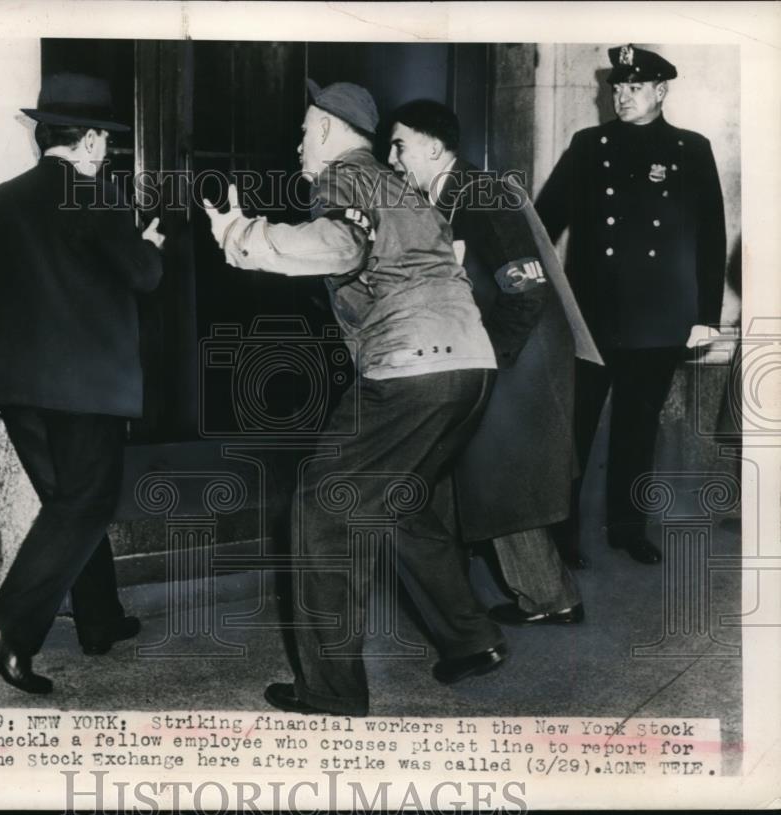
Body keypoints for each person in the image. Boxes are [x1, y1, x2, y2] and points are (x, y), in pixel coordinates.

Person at [204, 80, 506, 717]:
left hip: (410, 367)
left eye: (303, 131)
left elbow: (342, 243)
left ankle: (331, 692)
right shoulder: (400, 183)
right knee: (398, 500)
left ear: (324, 132)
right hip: (471, 364)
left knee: (322, 506)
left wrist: (246, 237)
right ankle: (470, 640)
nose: (297, 144)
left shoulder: (343, 177)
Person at [0, 73, 165, 694]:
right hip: (88, 392)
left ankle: (100, 619)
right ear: (92, 140)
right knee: (85, 503)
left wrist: (16, 350)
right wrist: (149, 244)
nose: (107, 153)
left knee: (68, 505)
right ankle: (7, 631)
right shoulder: (95, 198)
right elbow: (144, 277)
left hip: (18, 390)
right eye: (107, 142)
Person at [386, 99, 600, 624]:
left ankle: (543, 597)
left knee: (501, 475)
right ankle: (541, 595)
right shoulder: (440, 196)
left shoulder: (481, 194)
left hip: (516, 355)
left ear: (433, 148)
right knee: (488, 475)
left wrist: (491, 361)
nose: (391, 159)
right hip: (485, 351)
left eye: (399, 146)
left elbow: (525, 289)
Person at [536, 45, 726, 565]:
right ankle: (561, 535)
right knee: (573, 430)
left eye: (634, 88)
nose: (622, 96)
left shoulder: (691, 149)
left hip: (658, 318)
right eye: (617, 88)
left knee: (637, 430)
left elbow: (711, 236)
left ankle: (626, 528)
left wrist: (705, 315)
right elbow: (545, 218)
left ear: (661, 92)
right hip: (591, 317)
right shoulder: (587, 144)